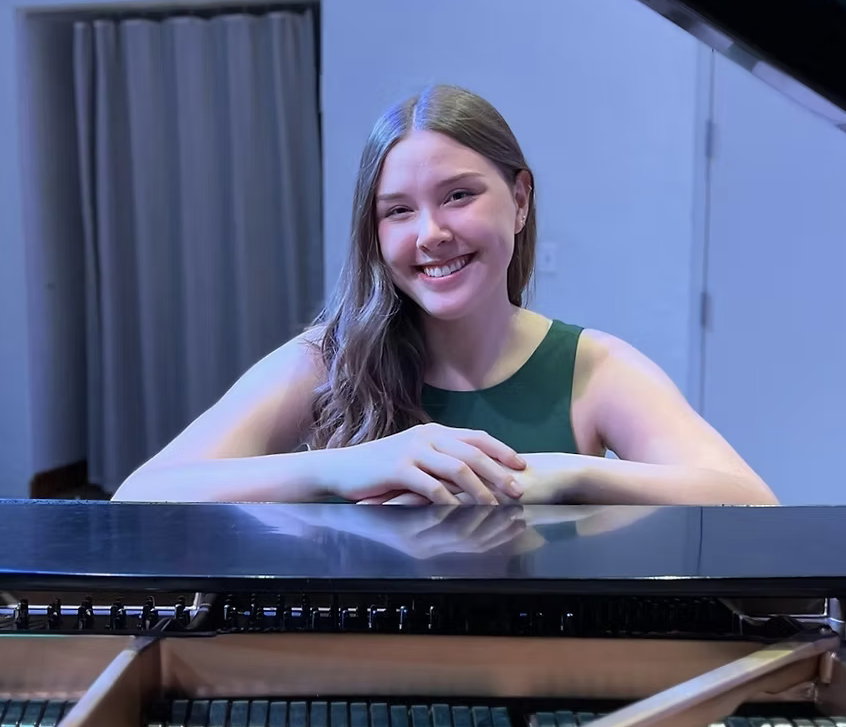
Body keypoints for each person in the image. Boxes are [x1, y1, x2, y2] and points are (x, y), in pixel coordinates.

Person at [113, 84, 778, 507]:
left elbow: (749, 503)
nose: (431, 234)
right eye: (397, 211)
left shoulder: (596, 368)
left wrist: (556, 477)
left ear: (519, 201)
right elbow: (143, 495)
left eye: (459, 196)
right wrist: (342, 470)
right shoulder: (325, 359)